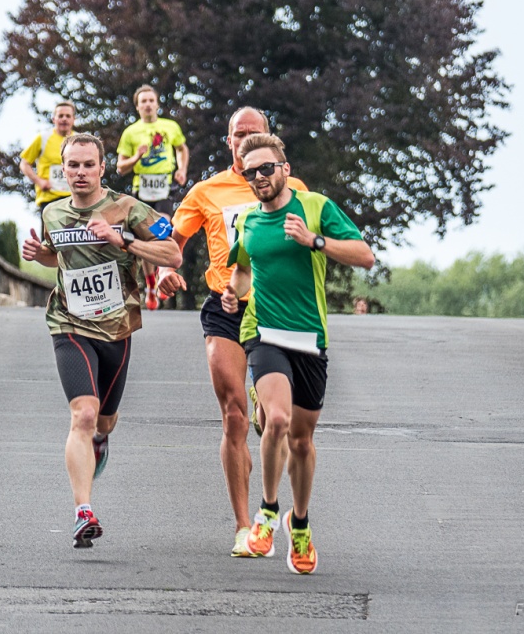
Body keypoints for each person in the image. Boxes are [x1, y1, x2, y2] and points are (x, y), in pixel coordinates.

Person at [156, 107, 307, 557]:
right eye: (237, 134)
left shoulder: (293, 189)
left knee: (272, 422)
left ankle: (270, 497)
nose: (245, 139)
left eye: (253, 132)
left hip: (277, 311)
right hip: (225, 306)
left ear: (269, 138)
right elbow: (173, 243)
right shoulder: (206, 191)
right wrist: (164, 270)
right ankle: (246, 527)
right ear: (228, 144)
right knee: (233, 416)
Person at [221, 132, 374, 574]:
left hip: (309, 339)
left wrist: (315, 241)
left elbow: (365, 257)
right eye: (250, 173)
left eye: (267, 168)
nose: (259, 178)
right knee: (280, 421)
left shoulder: (316, 208)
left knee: (303, 442)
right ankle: (268, 513)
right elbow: (244, 271)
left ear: (285, 169)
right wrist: (234, 296)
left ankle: (299, 523)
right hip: (264, 333)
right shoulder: (248, 220)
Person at [22, 133, 181, 549]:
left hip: (117, 327)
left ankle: (100, 441)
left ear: (102, 167)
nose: (79, 172)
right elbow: (58, 257)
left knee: (103, 422)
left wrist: (122, 239)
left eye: (87, 165)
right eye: (72, 165)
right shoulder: (52, 212)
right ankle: (83, 511)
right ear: (63, 168)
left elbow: (172, 253)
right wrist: (39, 253)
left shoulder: (128, 209)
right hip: (69, 323)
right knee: (84, 415)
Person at [116, 84, 188, 310]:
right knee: (147, 238)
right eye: (143, 101)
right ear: (137, 107)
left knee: (163, 228)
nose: (147, 104)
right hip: (142, 190)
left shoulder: (170, 126)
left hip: (164, 187)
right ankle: (149, 284)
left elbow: (182, 149)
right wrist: (136, 156)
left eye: (151, 100)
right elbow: (120, 167)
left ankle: (160, 276)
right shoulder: (130, 132)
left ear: (157, 104)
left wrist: (182, 169)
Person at [19, 101, 76, 212]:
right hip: (50, 199)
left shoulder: (80, 140)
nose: (64, 119)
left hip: (74, 199)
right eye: (60, 116)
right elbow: (24, 163)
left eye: (68, 116)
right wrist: (39, 181)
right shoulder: (43, 138)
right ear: (54, 119)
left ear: (73, 119)